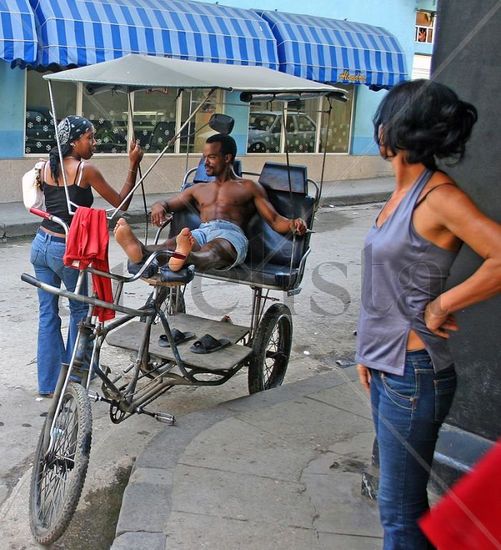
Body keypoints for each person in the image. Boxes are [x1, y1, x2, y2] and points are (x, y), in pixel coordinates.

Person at [355, 79, 501, 549]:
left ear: (395, 128)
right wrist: (367, 352)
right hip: (386, 367)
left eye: (382, 118)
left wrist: (443, 304)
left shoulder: (437, 196)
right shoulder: (403, 192)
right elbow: (384, 287)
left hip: (413, 376)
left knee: (400, 514)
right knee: (396, 506)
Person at [31, 115, 143, 397]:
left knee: (48, 314)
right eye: (90, 138)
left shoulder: (45, 166)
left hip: (41, 244)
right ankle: (76, 381)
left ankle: (48, 385)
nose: (94, 143)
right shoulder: (85, 170)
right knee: (81, 312)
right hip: (66, 248)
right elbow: (122, 204)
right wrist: (133, 165)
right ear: (73, 142)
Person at [114, 133, 307, 272]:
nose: (205, 162)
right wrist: (159, 206)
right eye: (205, 157)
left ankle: (185, 256)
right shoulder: (198, 189)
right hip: (201, 232)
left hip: (230, 235)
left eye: (212, 157)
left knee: (213, 250)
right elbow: (167, 203)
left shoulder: (248, 187)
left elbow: (274, 220)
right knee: (170, 244)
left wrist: (293, 223)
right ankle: (141, 250)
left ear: (227, 158)